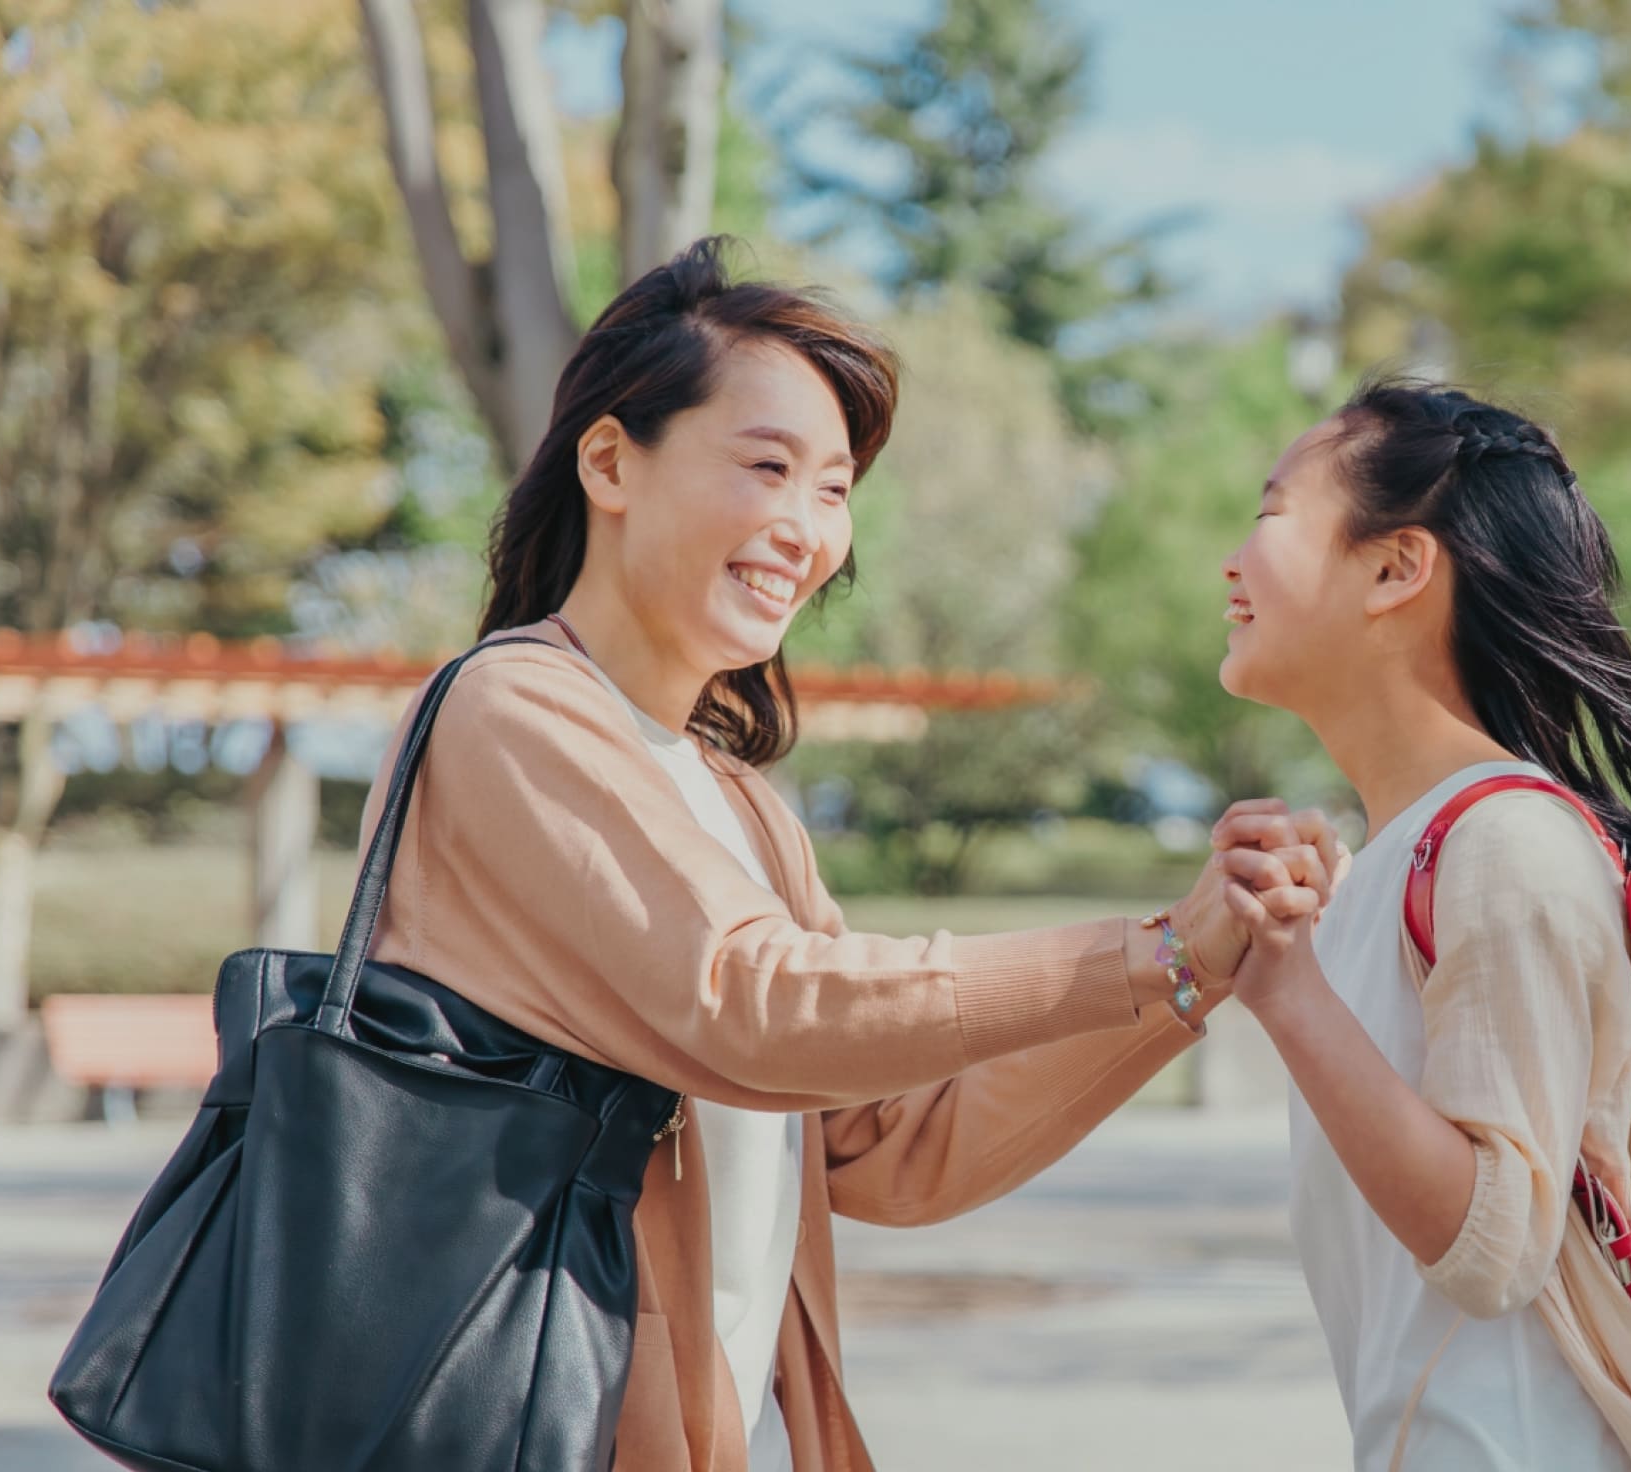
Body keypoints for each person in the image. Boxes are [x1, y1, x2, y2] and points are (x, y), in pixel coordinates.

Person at [357, 237, 1338, 1471]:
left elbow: (888, 1138)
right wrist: (1142, 955)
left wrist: (1189, 975)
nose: (807, 529)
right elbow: (752, 1000)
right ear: (609, 460)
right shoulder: (513, 710)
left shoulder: (738, 803)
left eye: (832, 488)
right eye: (767, 467)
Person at [1213, 380, 1631, 1471]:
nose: (1231, 559)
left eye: (1271, 513)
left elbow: (1492, 1245)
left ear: (1395, 567)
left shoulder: (1509, 847)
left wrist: (1286, 991)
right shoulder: (1398, 863)